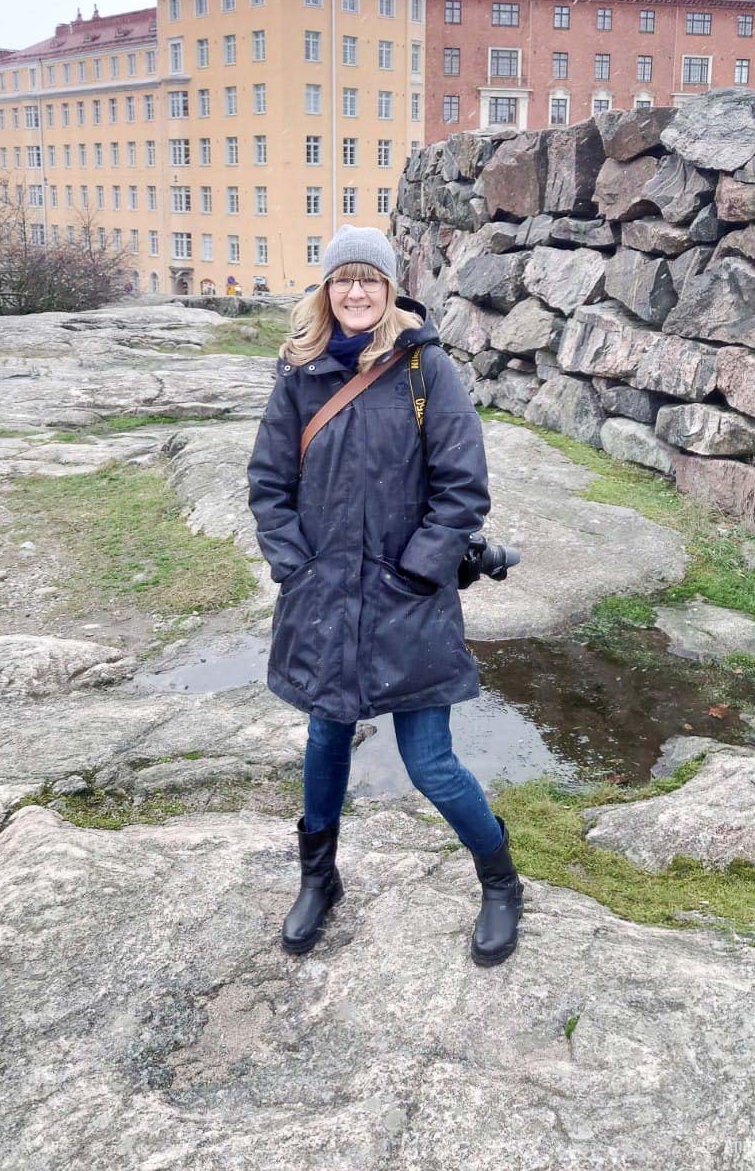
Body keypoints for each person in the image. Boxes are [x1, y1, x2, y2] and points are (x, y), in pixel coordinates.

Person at [247, 224, 524, 968]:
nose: (357, 292)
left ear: (392, 288)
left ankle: (500, 881)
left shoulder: (426, 372)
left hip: (409, 598)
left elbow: (462, 488)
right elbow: (269, 484)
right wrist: (294, 565)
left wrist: (417, 569)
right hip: (323, 597)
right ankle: (318, 878)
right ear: (326, 289)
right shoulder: (298, 374)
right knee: (326, 737)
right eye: (344, 280)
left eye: (371, 279)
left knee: (430, 760)